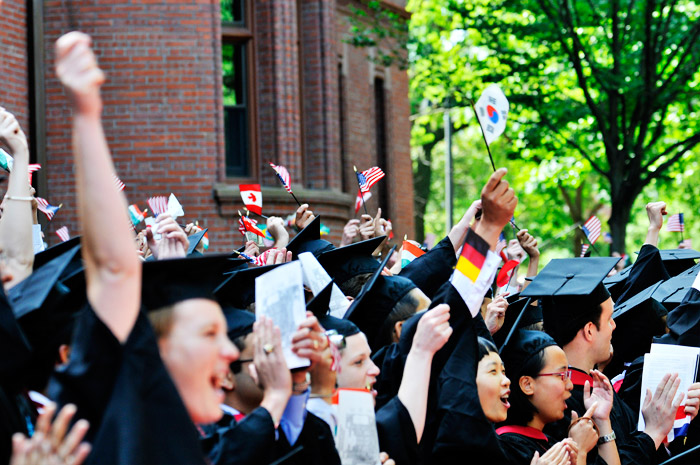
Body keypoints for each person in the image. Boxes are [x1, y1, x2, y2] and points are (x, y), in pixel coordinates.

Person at [522, 257, 684, 464]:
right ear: (590, 330)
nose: (614, 326)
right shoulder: (560, 406)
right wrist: (651, 434)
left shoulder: (597, 388)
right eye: (609, 319)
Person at [498, 330, 618, 465]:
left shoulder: (552, 439)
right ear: (527, 385)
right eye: (562, 375)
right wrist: (580, 450)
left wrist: (602, 420)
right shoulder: (506, 449)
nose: (570, 385)